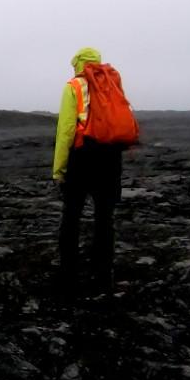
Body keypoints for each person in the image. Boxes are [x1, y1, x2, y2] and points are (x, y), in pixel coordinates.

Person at [52, 47, 127, 297]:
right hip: (110, 158)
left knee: (72, 215)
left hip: (82, 157)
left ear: (77, 64)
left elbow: (66, 131)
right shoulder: (112, 83)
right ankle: (103, 272)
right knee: (105, 217)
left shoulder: (74, 87)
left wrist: (59, 170)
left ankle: (68, 272)